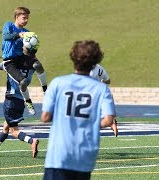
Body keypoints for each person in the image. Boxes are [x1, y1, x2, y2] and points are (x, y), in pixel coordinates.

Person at [41, 40, 116, 179]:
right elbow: (108, 120)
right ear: (95, 62)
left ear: (73, 58)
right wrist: (90, 122)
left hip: (59, 154)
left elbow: (45, 117)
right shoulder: (101, 89)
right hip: (85, 155)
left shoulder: (58, 83)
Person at [0, 48, 39, 158]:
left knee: (14, 131)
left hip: (10, 100)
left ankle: (31, 141)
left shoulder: (11, 64)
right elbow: (34, 59)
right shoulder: (33, 64)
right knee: (6, 125)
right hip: (21, 100)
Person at [1, 6, 47, 115]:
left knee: (38, 66)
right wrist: (18, 35)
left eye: (27, 18)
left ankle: (45, 89)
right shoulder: (9, 25)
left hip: (20, 58)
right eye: (24, 18)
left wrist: (32, 49)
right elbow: (6, 36)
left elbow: (28, 51)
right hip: (9, 61)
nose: (26, 20)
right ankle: (28, 101)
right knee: (23, 82)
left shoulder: (27, 32)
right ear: (17, 17)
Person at [90, 64, 118, 137]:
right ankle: (111, 123)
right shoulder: (100, 68)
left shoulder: (86, 68)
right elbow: (108, 81)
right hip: (99, 93)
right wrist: (102, 81)